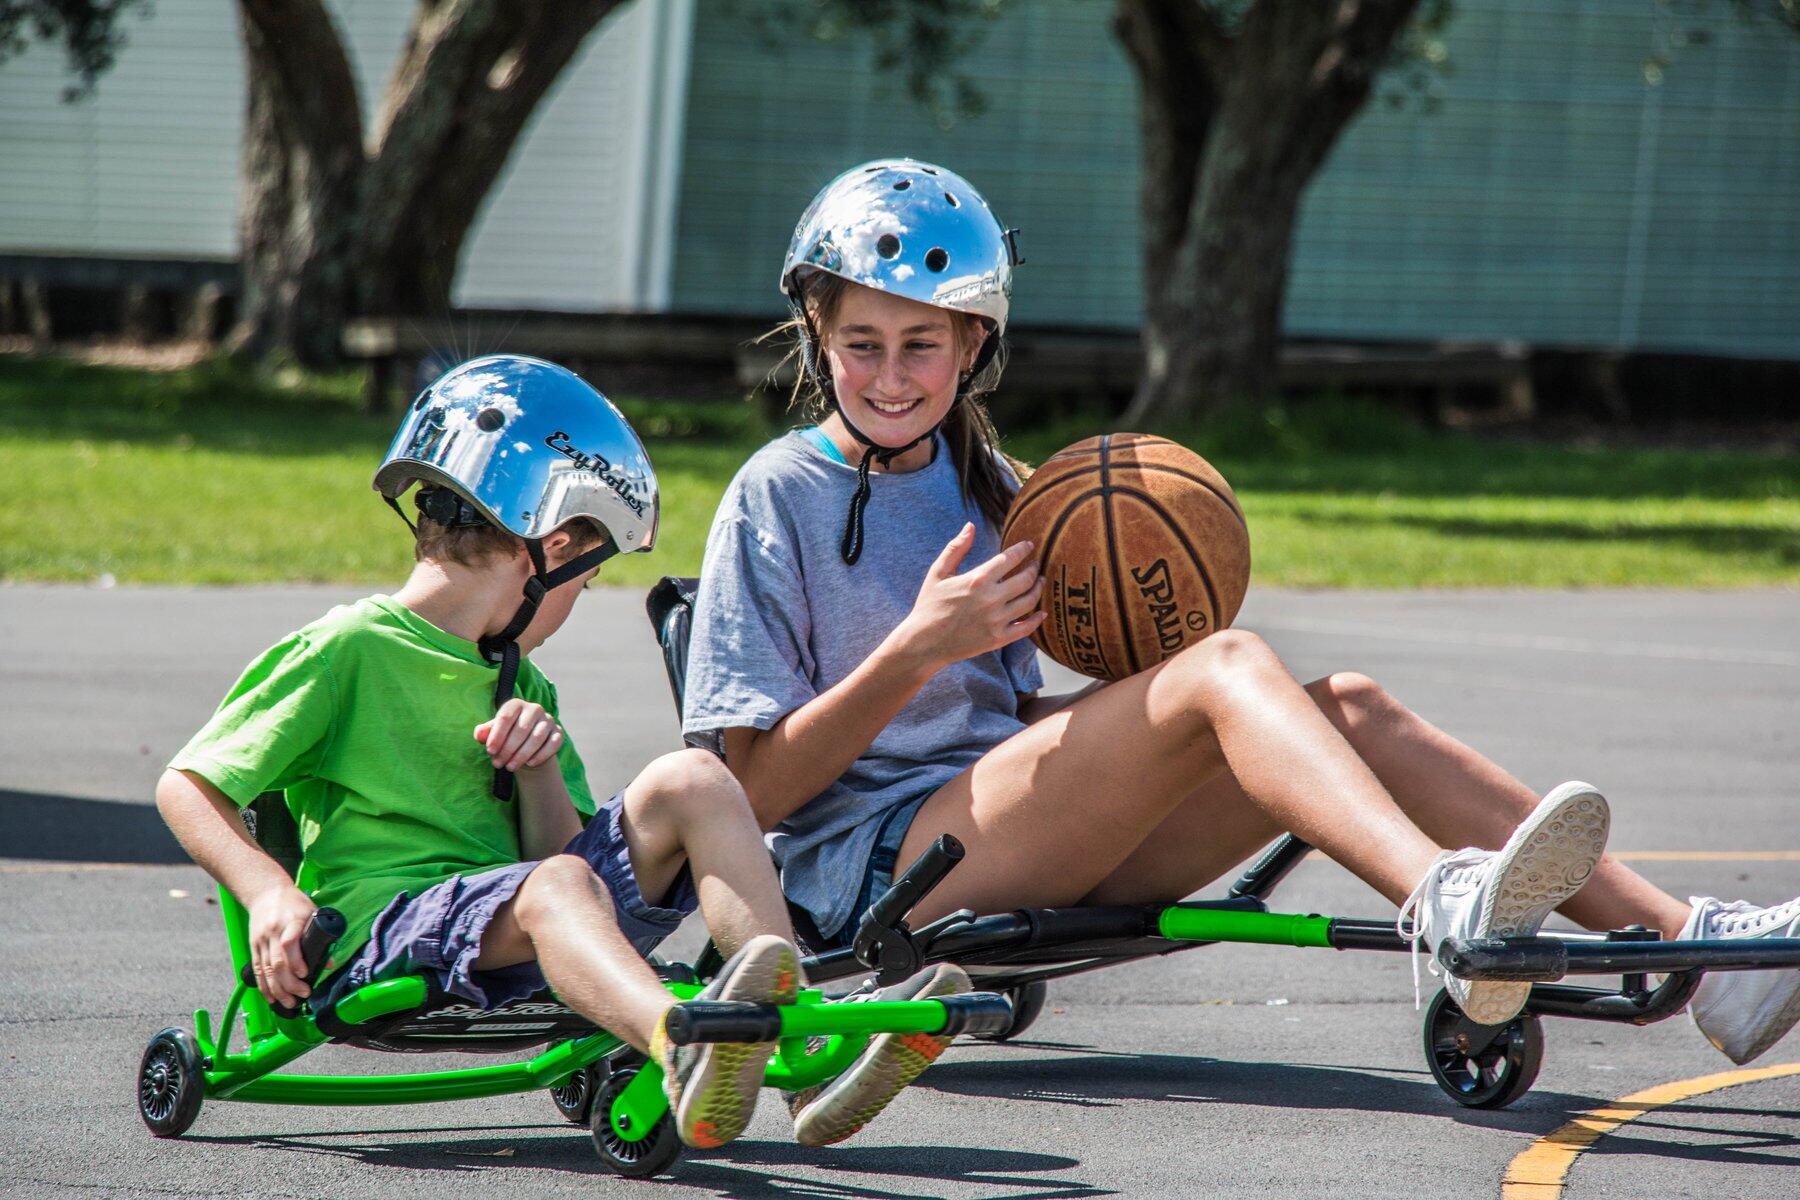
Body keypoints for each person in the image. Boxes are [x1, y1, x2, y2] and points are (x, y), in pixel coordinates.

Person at [682, 159, 1800, 1065]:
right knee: (1225, 672)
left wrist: (1136, 708)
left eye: (921, 344)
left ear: (975, 346)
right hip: (868, 874)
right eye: (860, 344)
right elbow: (749, 794)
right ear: (816, 338)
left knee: (1346, 704)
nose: (889, 374)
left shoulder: (1008, 491)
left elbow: (1005, 730)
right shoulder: (773, 498)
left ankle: (1692, 953)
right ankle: (1446, 909)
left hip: (1009, 836)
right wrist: (918, 649)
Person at [155, 354, 949, 1153]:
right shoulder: (346, 650)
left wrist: (537, 769)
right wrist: (267, 895)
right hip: (382, 933)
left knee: (695, 778)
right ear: (554, 545)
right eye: (587, 578)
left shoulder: (522, 680)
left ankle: (800, 1038)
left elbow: (555, 861)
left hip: (510, 919)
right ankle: (681, 1045)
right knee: (560, 885)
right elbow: (188, 785)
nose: (579, 598)